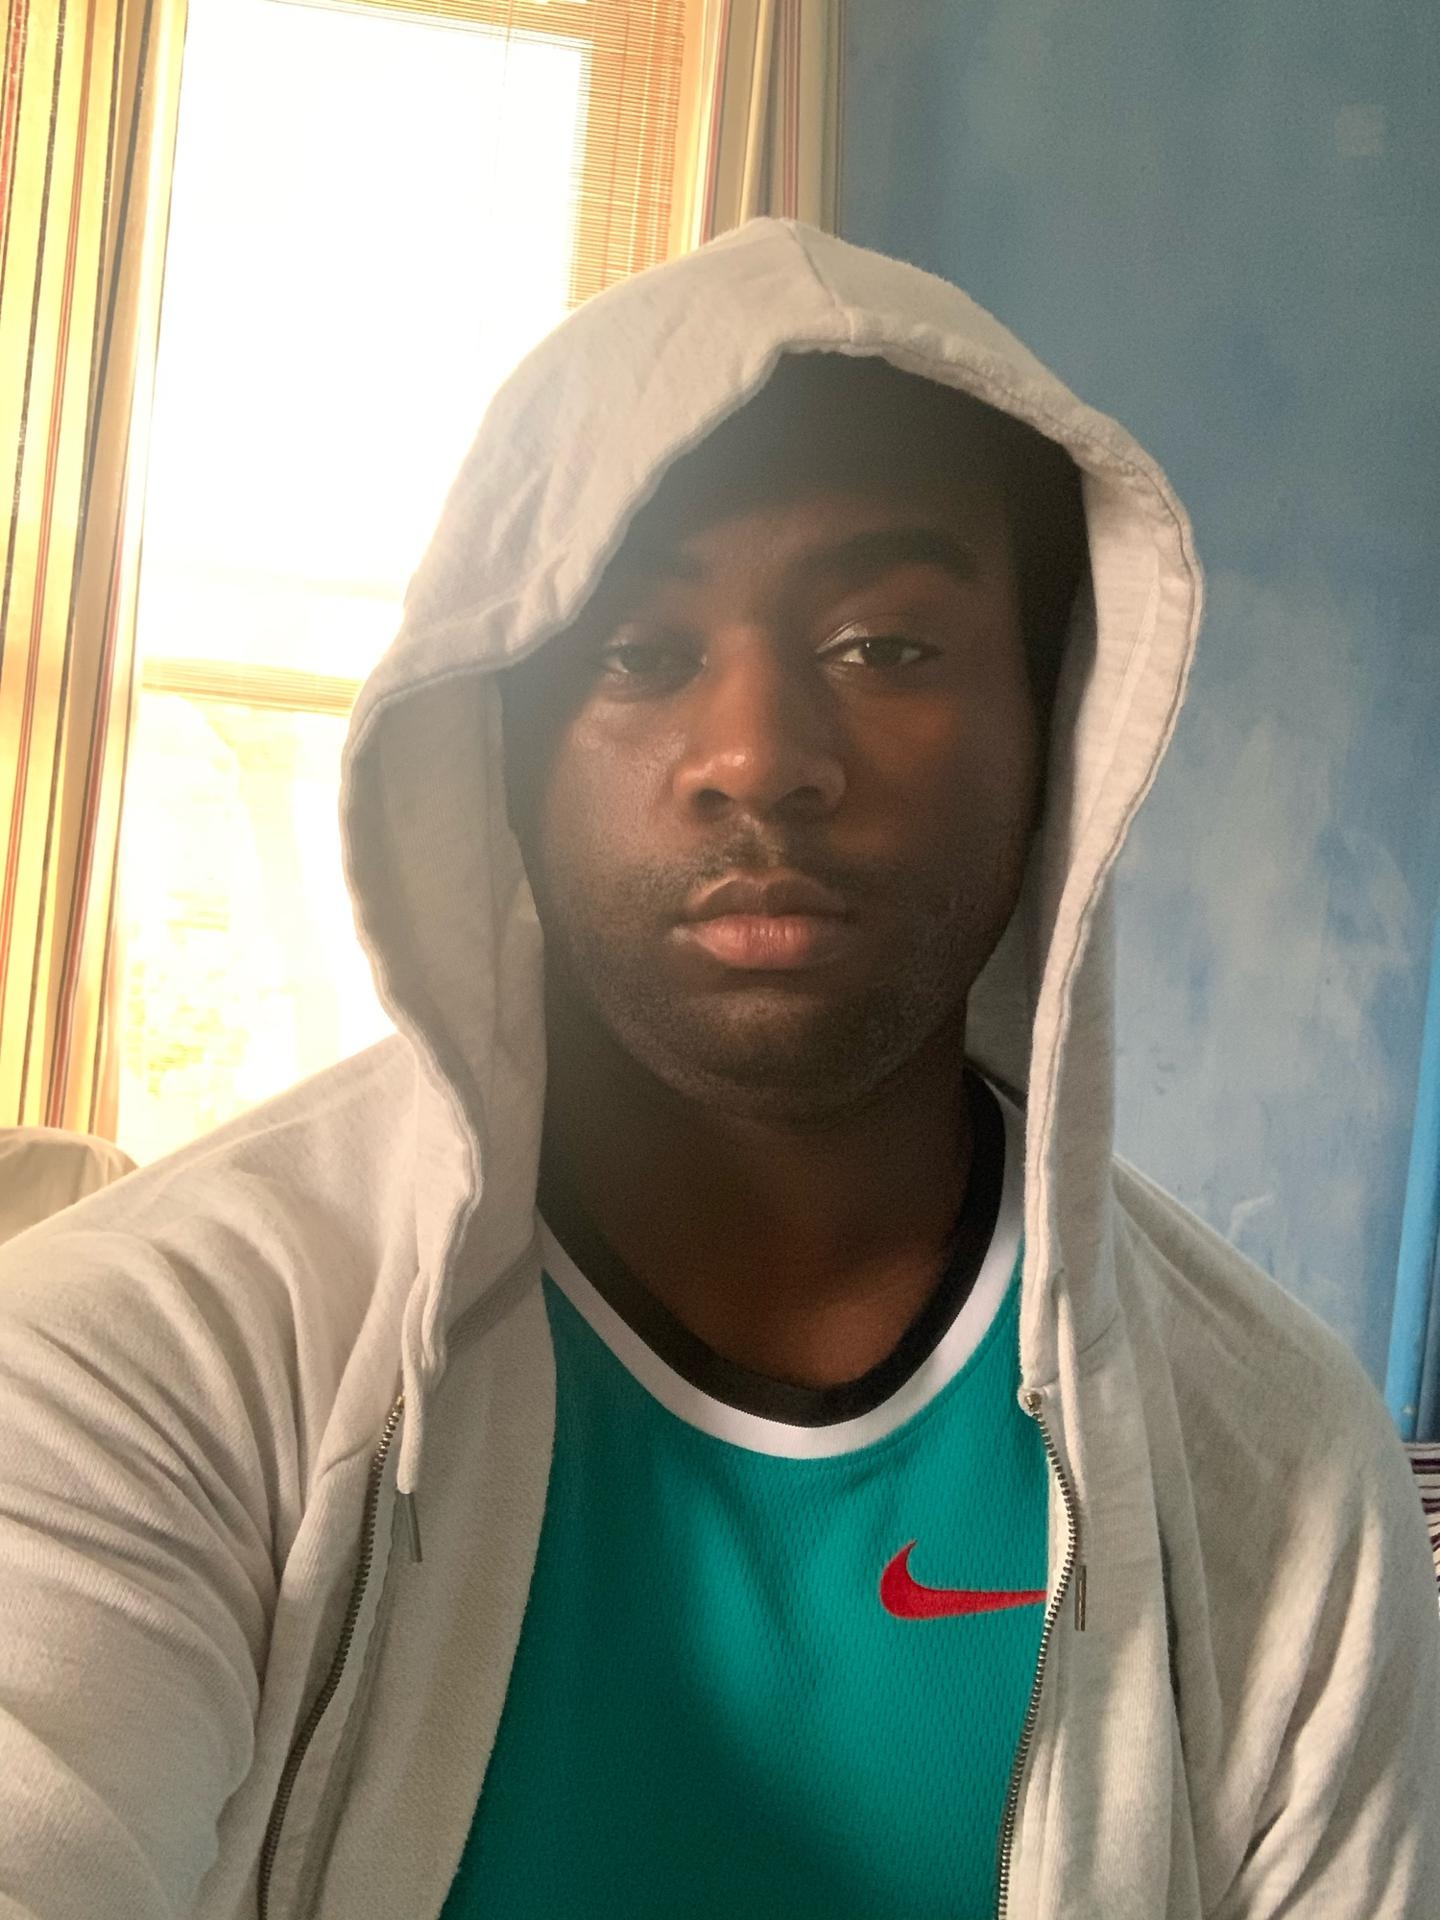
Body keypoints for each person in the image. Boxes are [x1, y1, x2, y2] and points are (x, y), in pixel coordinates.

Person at [0, 219, 1435, 1920]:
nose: (757, 757)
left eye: (887, 646)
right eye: (636, 651)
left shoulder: (1276, 1465)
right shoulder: (140, 1365)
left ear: (1055, 728)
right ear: (501, 742)